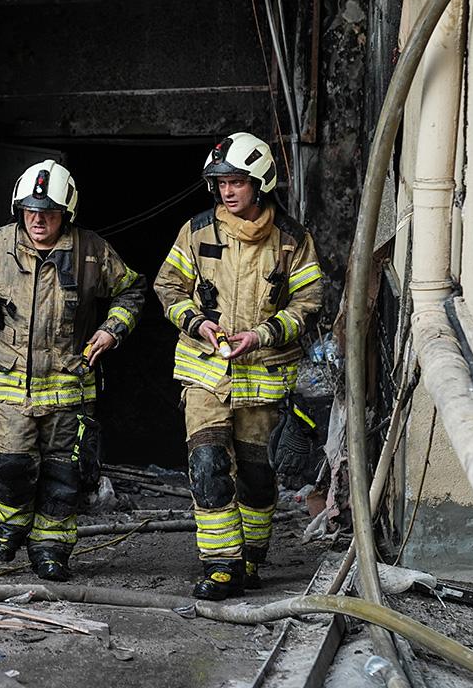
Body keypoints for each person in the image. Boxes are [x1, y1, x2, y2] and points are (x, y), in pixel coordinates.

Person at [0, 160, 145, 580]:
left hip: (69, 389)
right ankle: (9, 528)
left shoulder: (91, 252)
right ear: (19, 209)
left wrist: (112, 331)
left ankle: (51, 550)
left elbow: (132, 289)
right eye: (31, 211)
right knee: (11, 466)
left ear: (66, 213)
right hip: (10, 386)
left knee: (62, 476)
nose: (38, 219)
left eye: (49, 212)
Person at [153, 132, 323, 600]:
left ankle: (250, 558)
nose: (227, 191)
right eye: (220, 182)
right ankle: (222, 565)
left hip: (265, 379)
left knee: (256, 476)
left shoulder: (291, 241)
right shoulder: (197, 231)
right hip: (206, 374)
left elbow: (310, 301)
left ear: (260, 182)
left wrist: (263, 334)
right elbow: (167, 286)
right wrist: (195, 323)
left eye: (236, 182)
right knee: (207, 465)